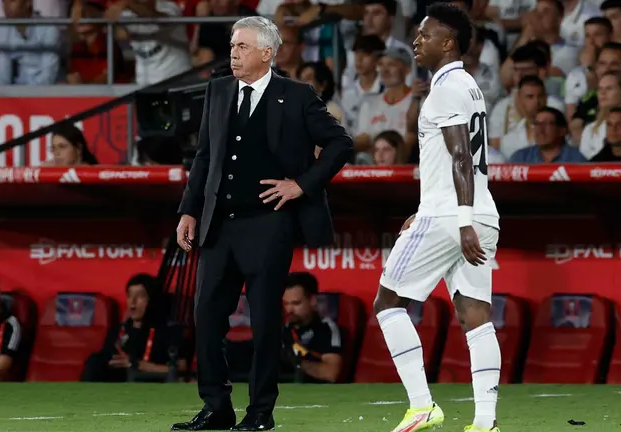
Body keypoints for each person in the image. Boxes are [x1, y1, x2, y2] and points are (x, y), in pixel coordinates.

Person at [172, 16, 352, 432]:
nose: (233, 53)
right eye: (233, 46)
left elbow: (340, 143)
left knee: (265, 322)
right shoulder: (217, 91)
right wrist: (189, 209)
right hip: (218, 224)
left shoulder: (298, 94)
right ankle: (216, 406)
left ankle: (260, 414)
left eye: (242, 47)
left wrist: (301, 186)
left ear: (267, 53)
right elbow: (204, 158)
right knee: (207, 317)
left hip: (268, 225)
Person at [375, 4, 501, 432]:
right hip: (479, 212)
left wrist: (459, 219)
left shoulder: (445, 89)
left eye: (425, 35)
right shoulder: (470, 86)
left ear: (447, 43)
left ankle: (422, 406)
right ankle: (485, 422)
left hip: (454, 216)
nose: (416, 41)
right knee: (475, 316)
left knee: (387, 302)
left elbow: (461, 157)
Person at [81, 273, 186, 382]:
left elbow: (180, 368)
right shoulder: (119, 330)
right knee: (94, 362)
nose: (132, 301)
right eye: (130, 295)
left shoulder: (169, 331)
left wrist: (136, 364)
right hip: (117, 385)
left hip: (150, 384)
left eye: (140, 296)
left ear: (152, 300)